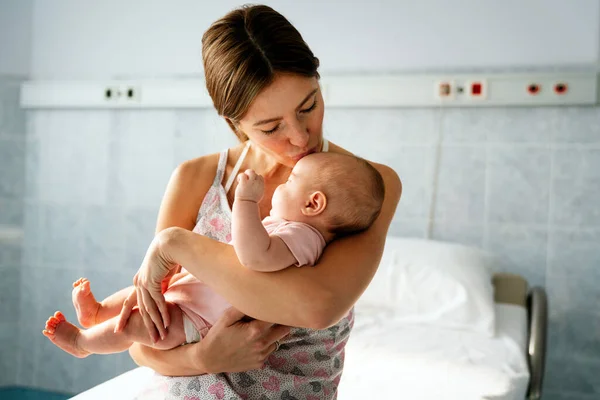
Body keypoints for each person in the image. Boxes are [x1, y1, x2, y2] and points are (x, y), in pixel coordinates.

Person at [72, 4, 400, 399]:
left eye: (308, 106)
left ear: (318, 81)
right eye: (270, 126)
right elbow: (145, 341)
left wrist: (175, 244)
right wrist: (205, 358)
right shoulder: (195, 179)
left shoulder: (365, 188)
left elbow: (317, 307)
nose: (299, 138)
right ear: (234, 123)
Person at [42, 152, 385, 359]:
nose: (282, 183)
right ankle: (98, 311)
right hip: (195, 292)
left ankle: (82, 342)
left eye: (291, 180)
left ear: (313, 203)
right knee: (145, 293)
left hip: (198, 322)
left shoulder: (304, 238)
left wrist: (247, 202)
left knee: (136, 324)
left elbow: (254, 256)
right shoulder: (294, 229)